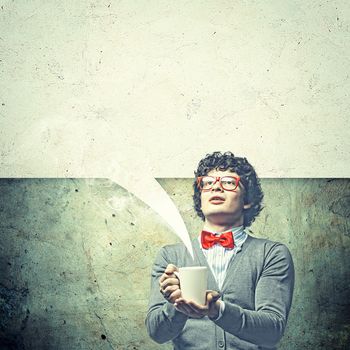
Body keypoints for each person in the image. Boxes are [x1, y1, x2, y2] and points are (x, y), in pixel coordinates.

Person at [145, 151, 295, 350]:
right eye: (207, 182)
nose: (215, 186)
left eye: (228, 182)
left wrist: (218, 310)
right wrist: (176, 306)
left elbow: (272, 331)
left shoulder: (272, 254)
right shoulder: (170, 256)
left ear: (247, 199)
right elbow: (157, 333)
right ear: (200, 198)